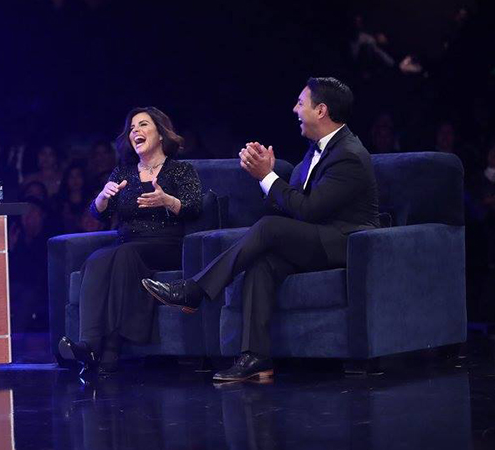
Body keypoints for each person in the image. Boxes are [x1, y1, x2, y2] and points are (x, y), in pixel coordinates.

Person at [142, 77, 380, 382]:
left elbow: (309, 210)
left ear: (321, 110)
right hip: (316, 238)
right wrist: (267, 177)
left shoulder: (348, 155)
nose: (295, 109)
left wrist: (268, 177)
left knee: (268, 229)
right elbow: (292, 206)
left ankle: (195, 290)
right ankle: (256, 357)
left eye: (300, 103)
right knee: (261, 262)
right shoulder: (314, 151)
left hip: (347, 244)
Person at [57, 107, 202, 375]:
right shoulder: (123, 172)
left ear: (160, 134)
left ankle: (111, 350)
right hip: (129, 243)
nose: (135, 131)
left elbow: (194, 207)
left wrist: (166, 200)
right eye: (132, 127)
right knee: (96, 259)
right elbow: (97, 214)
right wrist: (102, 197)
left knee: (123, 255)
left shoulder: (180, 170)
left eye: (143, 125)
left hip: (166, 242)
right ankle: (87, 345)